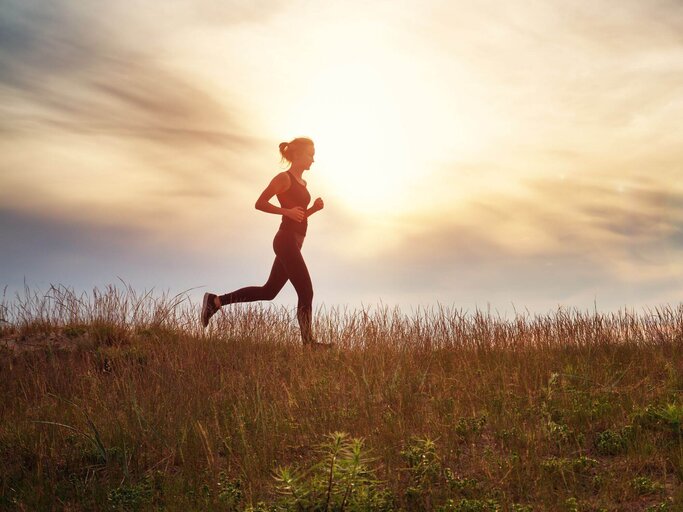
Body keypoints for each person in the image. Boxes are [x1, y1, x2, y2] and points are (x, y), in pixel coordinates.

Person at [201, 137, 329, 347]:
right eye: (310, 154)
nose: (313, 160)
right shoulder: (284, 178)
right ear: (297, 154)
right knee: (306, 291)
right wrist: (284, 210)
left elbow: (299, 216)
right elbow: (260, 203)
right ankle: (309, 344)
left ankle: (215, 302)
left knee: (268, 291)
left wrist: (313, 209)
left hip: (294, 242)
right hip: (285, 240)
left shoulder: (303, 184)